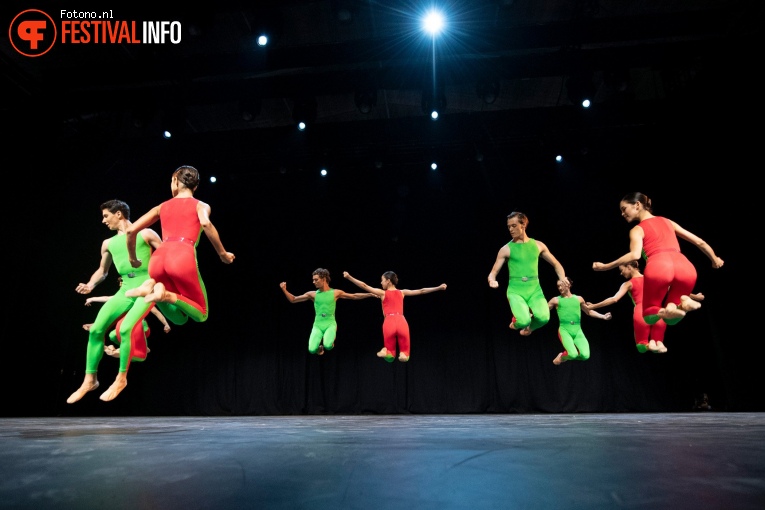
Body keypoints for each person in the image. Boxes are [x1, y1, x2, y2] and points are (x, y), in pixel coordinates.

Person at [68, 199, 167, 404]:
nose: (103, 221)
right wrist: (90, 284)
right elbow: (102, 272)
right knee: (96, 330)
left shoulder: (146, 233)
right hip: (124, 291)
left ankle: (121, 378)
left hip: (146, 289)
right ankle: (90, 380)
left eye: (106, 216)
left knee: (125, 330)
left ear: (119, 214)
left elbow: (168, 258)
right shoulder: (108, 243)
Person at [592, 192, 723, 325]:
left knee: (648, 315)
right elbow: (699, 242)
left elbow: (635, 255)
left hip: (659, 266)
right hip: (686, 267)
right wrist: (715, 259)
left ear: (637, 205)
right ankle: (683, 305)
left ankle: (679, 306)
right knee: (670, 318)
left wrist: (605, 266)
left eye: (624, 209)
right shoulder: (668, 221)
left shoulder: (637, 229)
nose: (622, 214)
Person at [125, 165, 235, 323]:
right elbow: (205, 223)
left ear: (175, 181)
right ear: (195, 186)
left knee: (179, 319)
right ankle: (164, 294)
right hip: (181, 257)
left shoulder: (161, 207)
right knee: (202, 314)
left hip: (158, 259)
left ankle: (151, 286)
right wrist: (222, 253)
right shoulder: (201, 205)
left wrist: (133, 258)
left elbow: (130, 231)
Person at [585, 261, 705, 354]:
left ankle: (650, 345)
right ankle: (681, 306)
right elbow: (672, 288)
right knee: (659, 341)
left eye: (622, 270)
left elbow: (614, 299)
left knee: (641, 346)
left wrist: (593, 306)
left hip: (642, 313)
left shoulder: (628, 283)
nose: (621, 273)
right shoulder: (651, 279)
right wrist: (694, 296)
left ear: (629, 267)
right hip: (658, 310)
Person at [487, 211, 568, 336]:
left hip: (534, 289)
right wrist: (492, 280)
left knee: (544, 318)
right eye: (508, 226)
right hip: (516, 291)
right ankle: (516, 322)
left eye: (513, 226)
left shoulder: (538, 245)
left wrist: (562, 278)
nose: (510, 229)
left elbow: (556, 264)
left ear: (523, 224)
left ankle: (528, 329)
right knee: (524, 320)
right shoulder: (506, 249)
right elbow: (493, 272)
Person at [343, 271, 447, 362]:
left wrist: (349, 277)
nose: (381, 282)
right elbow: (421, 291)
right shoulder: (402, 293)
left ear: (388, 281)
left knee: (390, 356)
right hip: (402, 321)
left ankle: (386, 351)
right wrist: (439, 287)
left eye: (382, 280)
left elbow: (364, 286)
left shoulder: (382, 293)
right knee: (405, 355)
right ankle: (403, 355)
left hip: (389, 322)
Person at [280, 268, 375, 355]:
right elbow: (293, 299)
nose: (314, 282)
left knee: (328, 346)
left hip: (330, 323)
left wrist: (370, 294)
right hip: (317, 325)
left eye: (316, 279)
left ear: (324, 279)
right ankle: (319, 348)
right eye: (313, 280)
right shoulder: (312, 294)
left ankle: (327, 344)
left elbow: (354, 296)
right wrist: (284, 290)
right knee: (312, 350)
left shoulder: (335, 292)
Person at [83, 277, 172, 358]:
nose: (121, 286)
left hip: (140, 326)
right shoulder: (123, 297)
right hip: (126, 327)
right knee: (112, 335)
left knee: (132, 327)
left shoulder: (141, 297)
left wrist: (166, 324)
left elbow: (156, 312)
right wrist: (92, 299)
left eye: (122, 283)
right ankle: (126, 349)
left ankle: (141, 347)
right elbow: (108, 299)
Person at [548, 278, 612, 365]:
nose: (559, 288)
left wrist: (603, 316)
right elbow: (543, 310)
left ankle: (567, 356)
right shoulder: (556, 300)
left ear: (568, 285)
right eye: (558, 286)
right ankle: (562, 357)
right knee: (572, 354)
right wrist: (531, 315)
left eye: (561, 285)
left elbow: (588, 311)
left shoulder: (578, 299)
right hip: (564, 330)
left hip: (578, 330)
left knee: (585, 355)